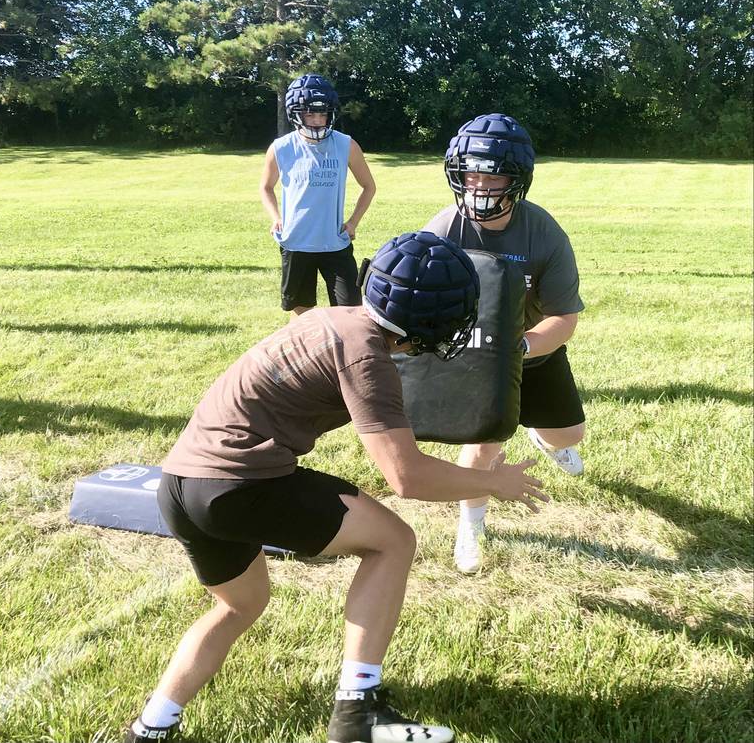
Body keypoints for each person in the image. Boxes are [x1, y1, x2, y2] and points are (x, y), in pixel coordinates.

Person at [125, 231, 547, 743]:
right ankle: (357, 716)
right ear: (434, 320)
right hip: (239, 486)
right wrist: (492, 481)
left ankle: (151, 726)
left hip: (179, 485)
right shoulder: (365, 356)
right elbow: (406, 477)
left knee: (240, 604)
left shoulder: (332, 318)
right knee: (393, 541)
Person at [423, 113, 586, 574]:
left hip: (530, 350)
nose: (479, 186)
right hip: (471, 350)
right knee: (484, 445)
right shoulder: (444, 227)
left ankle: (542, 435)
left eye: (492, 175)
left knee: (570, 436)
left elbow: (564, 317)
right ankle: (471, 526)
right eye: (471, 173)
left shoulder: (544, 234)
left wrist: (523, 349)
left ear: (516, 180)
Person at [260, 73, 376, 319]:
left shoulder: (346, 145)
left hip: (335, 242)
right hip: (296, 242)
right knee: (302, 314)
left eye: (322, 114)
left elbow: (368, 186)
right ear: (296, 114)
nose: (316, 121)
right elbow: (266, 187)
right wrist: (275, 217)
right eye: (309, 114)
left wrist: (353, 222)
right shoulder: (281, 148)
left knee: (351, 312)